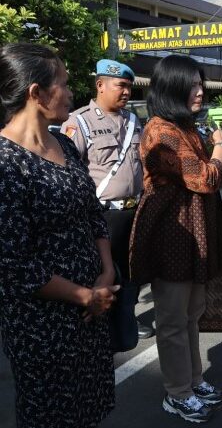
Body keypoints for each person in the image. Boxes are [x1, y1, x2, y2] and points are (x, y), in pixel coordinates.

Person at [0, 43, 118, 427]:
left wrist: (105, 273)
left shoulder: (64, 143)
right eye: (63, 84)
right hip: (44, 323)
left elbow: (92, 213)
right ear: (36, 93)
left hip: (91, 311)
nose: (70, 93)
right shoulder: (6, 162)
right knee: (51, 413)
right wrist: (85, 295)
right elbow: (14, 266)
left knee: (89, 406)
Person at [129, 55, 222, 423]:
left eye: (201, 83)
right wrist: (221, 148)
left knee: (190, 315)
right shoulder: (163, 131)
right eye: (193, 84)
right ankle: (177, 393)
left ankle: (192, 379)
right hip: (171, 233)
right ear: (172, 87)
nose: (201, 91)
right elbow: (204, 178)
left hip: (191, 231)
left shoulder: (183, 127)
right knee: (173, 320)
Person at [61, 59, 154, 341]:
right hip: (103, 216)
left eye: (129, 86)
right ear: (100, 85)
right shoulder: (79, 122)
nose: (127, 92)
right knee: (103, 271)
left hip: (133, 210)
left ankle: (127, 317)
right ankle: (100, 321)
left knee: (130, 270)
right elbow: (68, 169)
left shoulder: (133, 120)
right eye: (121, 86)